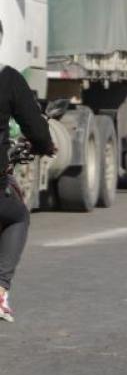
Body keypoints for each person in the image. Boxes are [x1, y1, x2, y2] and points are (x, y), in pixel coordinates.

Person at [0, 67, 56, 322]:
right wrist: (44, 145)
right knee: (18, 216)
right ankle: (0, 290)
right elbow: (37, 129)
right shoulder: (7, 77)